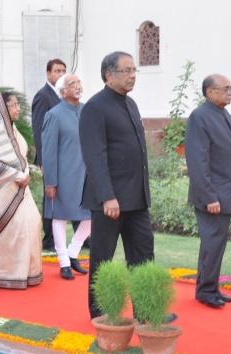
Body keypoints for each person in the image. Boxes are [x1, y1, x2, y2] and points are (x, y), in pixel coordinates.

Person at [80, 52, 157, 320]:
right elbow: (94, 156)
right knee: (103, 259)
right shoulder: (94, 107)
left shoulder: (131, 104)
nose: (132, 75)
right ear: (108, 75)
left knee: (144, 256)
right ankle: (100, 313)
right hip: (110, 201)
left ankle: (146, 311)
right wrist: (107, 196)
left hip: (137, 199)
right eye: (126, 70)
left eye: (134, 70)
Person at [185, 74, 231, 309]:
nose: (230, 92)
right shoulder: (199, 117)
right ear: (210, 92)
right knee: (213, 242)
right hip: (212, 195)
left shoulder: (224, 115)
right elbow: (198, 161)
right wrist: (209, 196)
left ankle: (208, 288)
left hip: (226, 192)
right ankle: (206, 291)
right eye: (226, 88)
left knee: (215, 243)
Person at [0, 91, 42, 289]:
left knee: (33, 223)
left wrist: (26, 173)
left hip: (21, 189)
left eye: (17, 105)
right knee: (15, 228)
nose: (17, 109)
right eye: (13, 106)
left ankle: (29, 273)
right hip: (3, 191)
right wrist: (16, 176)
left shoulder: (13, 129)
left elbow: (21, 158)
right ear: (3, 109)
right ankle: (5, 274)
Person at [42, 73, 91, 280]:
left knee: (92, 216)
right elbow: (48, 150)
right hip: (64, 175)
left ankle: (73, 253)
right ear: (63, 92)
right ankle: (63, 262)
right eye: (72, 84)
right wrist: (51, 181)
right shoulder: (54, 114)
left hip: (87, 174)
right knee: (60, 216)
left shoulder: (87, 111)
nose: (78, 86)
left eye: (79, 82)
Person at [31, 59, 66, 251]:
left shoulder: (64, 96)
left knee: (73, 193)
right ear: (48, 74)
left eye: (63, 71)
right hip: (50, 157)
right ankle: (49, 239)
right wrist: (43, 160)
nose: (60, 74)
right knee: (51, 197)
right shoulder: (43, 96)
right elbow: (38, 130)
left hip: (67, 156)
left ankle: (84, 237)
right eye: (57, 71)